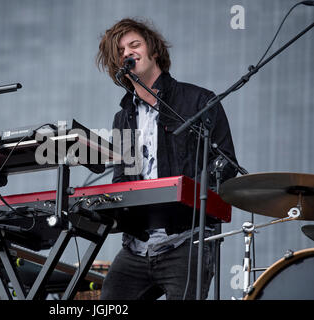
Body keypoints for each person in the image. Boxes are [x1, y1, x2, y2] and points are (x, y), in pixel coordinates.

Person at [96, 17, 238, 300]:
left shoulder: (199, 101)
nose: (127, 53)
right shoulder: (123, 118)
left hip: (186, 241)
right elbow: (123, 178)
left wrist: (179, 199)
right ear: (117, 66)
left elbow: (226, 165)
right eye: (120, 52)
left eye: (134, 45)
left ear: (154, 51)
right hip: (138, 246)